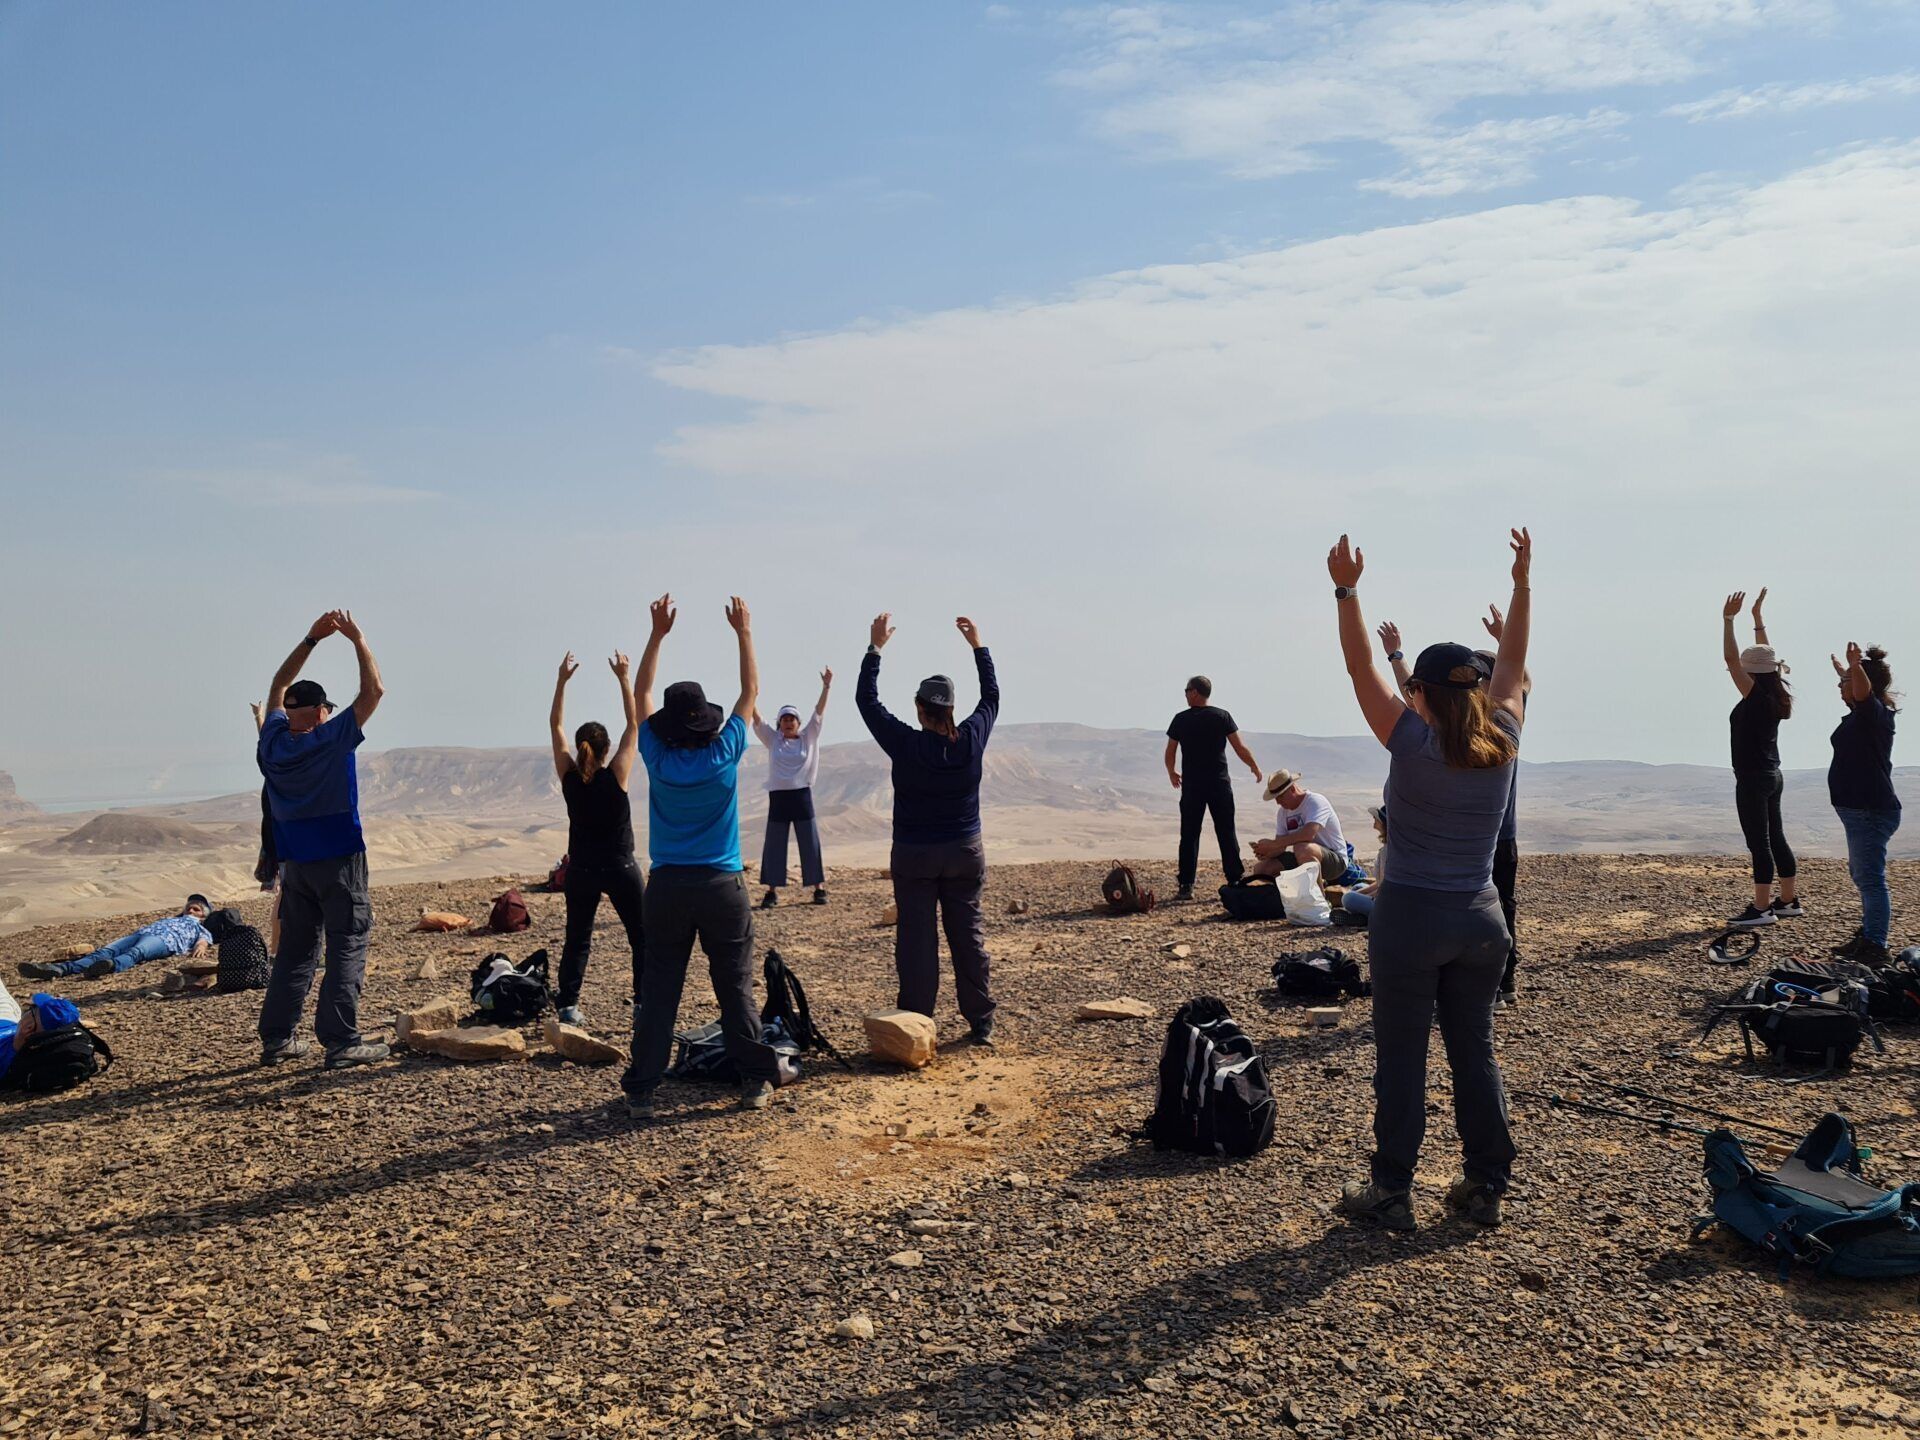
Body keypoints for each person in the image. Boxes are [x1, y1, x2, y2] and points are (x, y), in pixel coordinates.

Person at [1327, 527, 1531, 1232]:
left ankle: (1390, 1191)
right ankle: (1484, 1187)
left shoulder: (1411, 743)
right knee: (1474, 1050)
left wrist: (1347, 590)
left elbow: (1360, 672)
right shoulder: (1503, 738)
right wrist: (1522, 587)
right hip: (1481, 919)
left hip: (1411, 918)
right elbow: (1517, 673)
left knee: (1403, 1056)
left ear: (1422, 693)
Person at [621, 595, 782, 1119]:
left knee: (660, 987)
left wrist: (656, 635)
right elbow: (751, 691)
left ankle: (642, 1090)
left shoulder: (656, 754)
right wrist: (744, 631)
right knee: (733, 984)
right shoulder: (723, 753)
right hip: (721, 885)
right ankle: (755, 1080)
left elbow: (642, 692)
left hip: (666, 887)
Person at [857, 612, 1000, 1045]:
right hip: (963, 851)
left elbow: (867, 701)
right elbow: (992, 696)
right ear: (951, 709)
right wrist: (979, 646)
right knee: (967, 934)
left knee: (917, 939)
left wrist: (875, 648)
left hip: (915, 854)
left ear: (920, 709)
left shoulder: (906, 742)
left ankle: (916, 1022)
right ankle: (981, 1022)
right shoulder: (972, 737)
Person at [255, 609, 389, 1068]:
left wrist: (310, 640)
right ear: (319, 713)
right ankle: (341, 1040)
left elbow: (276, 687)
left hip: (296, 864)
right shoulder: (330, 739)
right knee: (348, 939)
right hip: (339, 858)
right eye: (327, 708)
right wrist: (357, 639)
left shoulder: (270, 742)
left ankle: (277, 1038)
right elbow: (375, 692)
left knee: (295, 948)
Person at [1382, 615, 1532, 1007]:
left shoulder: (1490, 722)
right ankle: (1489, 985)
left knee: (1500, 905)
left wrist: (1505, 644)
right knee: (1492, 909)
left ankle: (1502, 982)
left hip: (1494, 838)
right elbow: (1417, 692)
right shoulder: (1500, 725)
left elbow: (1517, 674)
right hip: (1495, 836)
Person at [549, 649, 644, 1027]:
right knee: (641, 937)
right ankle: (643, 1005)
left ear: (579, 747)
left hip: (583, 871)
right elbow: (634, 725)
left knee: (578, 940)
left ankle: (568, 1007)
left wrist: (561, 682)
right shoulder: (616, 774)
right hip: (621, 867)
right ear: (606, 750)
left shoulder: (570, 778)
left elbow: (554, 725)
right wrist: (624, 677)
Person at [1721, 589, 1799, 928]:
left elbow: (1730, 660)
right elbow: (1767, 658)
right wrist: (1757, 620)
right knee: (1776, 835)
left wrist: (1727, 621)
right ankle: (1787, 901)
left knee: (1759, 840)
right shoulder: (1774, 692)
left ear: (1753, 673)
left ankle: (1762, 908)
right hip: (1773, 774)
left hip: (1753, 777)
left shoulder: (1754, 695)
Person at [1827, 642, 1901, 964]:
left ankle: (1875, 945)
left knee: (1871, 879)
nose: (1839, 688)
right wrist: (1848, 672)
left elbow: (1863, 693)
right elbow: (1860, 692)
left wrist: (1855, 669)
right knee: (1862, 874)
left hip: (1870, 811)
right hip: (1860, 811)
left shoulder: (1875, 714)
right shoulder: (1867, 714)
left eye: (1844, 684)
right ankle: (1869, 935)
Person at [1166, 677, 1263, 901]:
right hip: (1219, 784)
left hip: (1193, 786)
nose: (1185, 694)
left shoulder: (1181, 719)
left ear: (1196, 693)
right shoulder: (1221, 716)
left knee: (1189, 834)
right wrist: (1253, 766)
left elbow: (1170, 750)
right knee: (1225, 831)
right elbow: (1239, 747)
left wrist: (1171, 771)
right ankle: (1235, 879)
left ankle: (1186, 884)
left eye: (1187, 690)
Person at [753, 668, 833, 908]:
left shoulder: (809, 736)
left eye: (792, 719)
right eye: (784, 720)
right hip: (779, 798)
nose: (788, 723)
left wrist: (826, 687)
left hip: (801, 796)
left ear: (798, 723)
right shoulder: (773, 739)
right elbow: (756, 719)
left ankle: (818, 888)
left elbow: (818, 713)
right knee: (775, 844)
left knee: (810, 842)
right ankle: (771, 891)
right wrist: (751, 695)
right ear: (779, 724)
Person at [19, 896, 213, 980]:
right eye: (189, 906)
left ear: (203, 915)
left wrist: (201, 947)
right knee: (105, 950)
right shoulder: (170, 918)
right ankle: (59, 969)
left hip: (166, 941)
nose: (191, 909)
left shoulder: (199, 927)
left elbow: (204, 940)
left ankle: (111, 966)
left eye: (196, 908)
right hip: (143, 933)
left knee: (137, 953)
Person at [1246, 770, 1365, 886]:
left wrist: (1273, 844)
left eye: (1280, 797)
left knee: (1303, 848)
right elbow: (1280, 847)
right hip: (1302, 857)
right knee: (1261, 869)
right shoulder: (1283, 813)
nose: (1278, 802)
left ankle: (1318, 900)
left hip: (1334, 861)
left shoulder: (1315, 801)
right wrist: (1267, 852)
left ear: (1292, 789)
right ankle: (1279, 901)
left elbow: (1308, 835)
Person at [0, 981, 82, 1085]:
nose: (28, 1009)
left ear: (28, 1028)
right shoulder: (29, 1042)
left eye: (33, 1009)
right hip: (8, 1021)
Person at [1341, 806, 1388, 920]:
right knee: (1358, 887)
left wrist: (1363, 896)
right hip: (1386, 894)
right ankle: (1362, 915)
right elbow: (1379, 882)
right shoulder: (1390, 847)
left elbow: (1384, 888)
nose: (1374, 822)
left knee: (1348, 899)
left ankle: (1365, 917)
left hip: (1386, 902)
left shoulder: (1387, 852)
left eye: (1376, 819)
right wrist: (1361, 893)